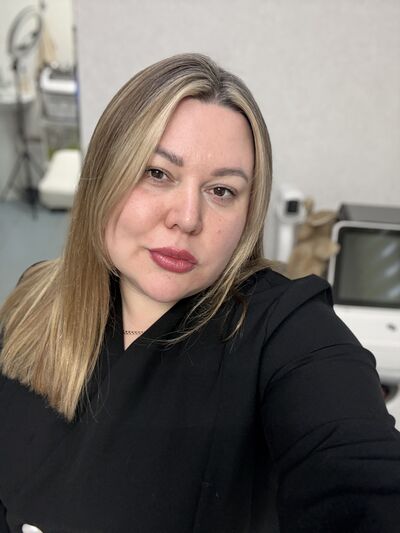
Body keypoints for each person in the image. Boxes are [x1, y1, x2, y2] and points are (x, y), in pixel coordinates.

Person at [0, 53, 399, 533]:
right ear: (105, 173)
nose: (187, 219)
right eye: (157, 173)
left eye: (222, 191)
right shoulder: (36, 296)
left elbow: (359, 480)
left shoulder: (284, 329)